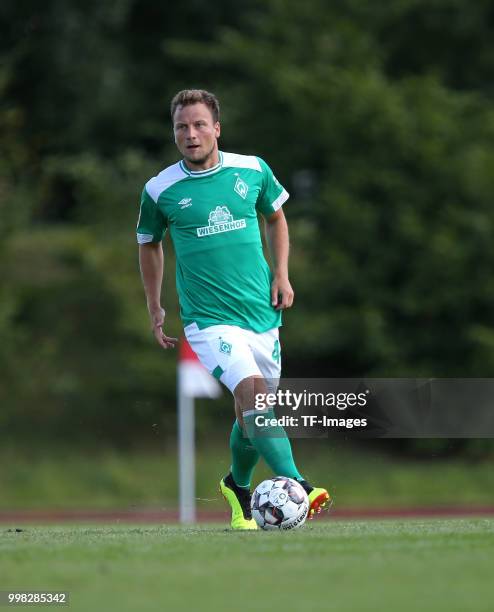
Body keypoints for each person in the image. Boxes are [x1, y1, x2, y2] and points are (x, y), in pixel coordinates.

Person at [137, 89, 330, 529]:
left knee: (251, 417)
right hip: (208, 321)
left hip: (262, 315)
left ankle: (237, 486)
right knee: (254, 396)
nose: (190, 134)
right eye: (181, 127)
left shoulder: (253, 169)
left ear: (217, 128)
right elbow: (148, 245)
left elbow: (276, 218)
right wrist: (155, 306)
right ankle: (299, 484)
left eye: (199, 124)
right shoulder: (160, 189)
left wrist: (281, 274)